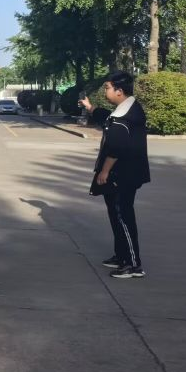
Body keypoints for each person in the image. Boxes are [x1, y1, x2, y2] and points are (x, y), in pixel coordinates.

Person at [80, 71, 150, 278]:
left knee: (123, 216)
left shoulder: (124, 117)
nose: (106, 91)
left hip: (123, 174)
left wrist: (105, 171)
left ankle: (133, 265)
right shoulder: (126, 110)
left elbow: (116, 148)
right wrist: (90, 107)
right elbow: (106, 118)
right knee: (116, 215)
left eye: (108, 88)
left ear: (119, 91)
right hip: (125, 173)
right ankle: (121, 256)